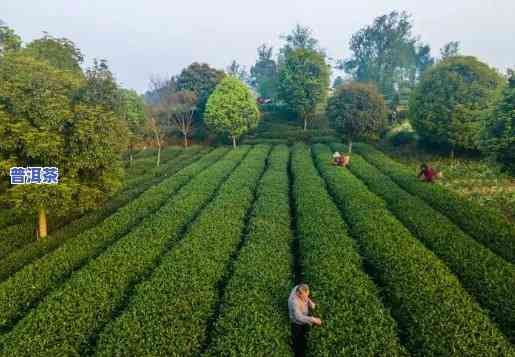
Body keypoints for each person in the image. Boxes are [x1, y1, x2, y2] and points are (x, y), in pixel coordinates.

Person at [288, 284, 322, 357]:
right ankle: (297, 352)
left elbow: (306, 296)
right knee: (297, 338)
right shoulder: (294, 302)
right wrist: (313, 319)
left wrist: (310, 302)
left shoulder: (301, 288)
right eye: (304, 296)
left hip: (304, 315)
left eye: (307, 295)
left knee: (304, 333)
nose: (306, 297)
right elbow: (299, 317)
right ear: (298, 294)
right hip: (296, 322)